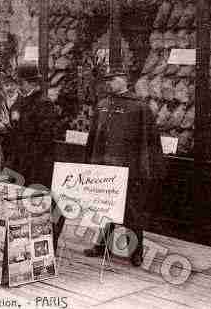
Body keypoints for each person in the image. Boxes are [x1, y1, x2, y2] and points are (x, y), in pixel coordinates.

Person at [54, 70, 164, 266]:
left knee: (132, 211)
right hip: (103, 166)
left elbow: (148, 142)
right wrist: (90, 162)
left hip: (128, 168)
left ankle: (136, 252)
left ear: (124, 81)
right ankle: (101, 245)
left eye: (112, 80)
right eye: (107, 80)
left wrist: (143, 169)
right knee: (105, 209)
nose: (109, 84)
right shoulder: (103, 105)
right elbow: (93, 137)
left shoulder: (139, 107)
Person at [4, 64, 59, 188]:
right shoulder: (19, 102)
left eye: (21, 83)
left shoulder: (44, 104)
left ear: (31, 83)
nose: (18, 87)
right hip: (17, 161)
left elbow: (45, 138)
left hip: (35, 164)